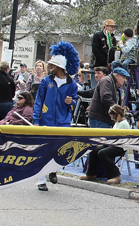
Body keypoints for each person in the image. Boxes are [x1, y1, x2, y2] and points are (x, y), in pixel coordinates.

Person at [33, 42, 80, 191]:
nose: (50, 67)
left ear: (59, 67)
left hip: (62, 122)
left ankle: (52, 170)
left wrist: (70, 102)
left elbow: (74, 103)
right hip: (45, 121)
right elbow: (38, 101)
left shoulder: (72, 84)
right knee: (43, 150)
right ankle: (41, 180)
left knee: (58, 149)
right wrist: (36, 120)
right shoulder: (46, 82)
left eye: (52, 64)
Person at [81, 104, 131, 185]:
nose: (111, 118)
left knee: (103, 153)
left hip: (120, 147)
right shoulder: (117, 123)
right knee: (93, 151)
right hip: (112, 144)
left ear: (117, 115)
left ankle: (115, 175)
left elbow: (120, 139)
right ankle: (91, 174)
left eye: (112, 116)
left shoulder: (124, 124)